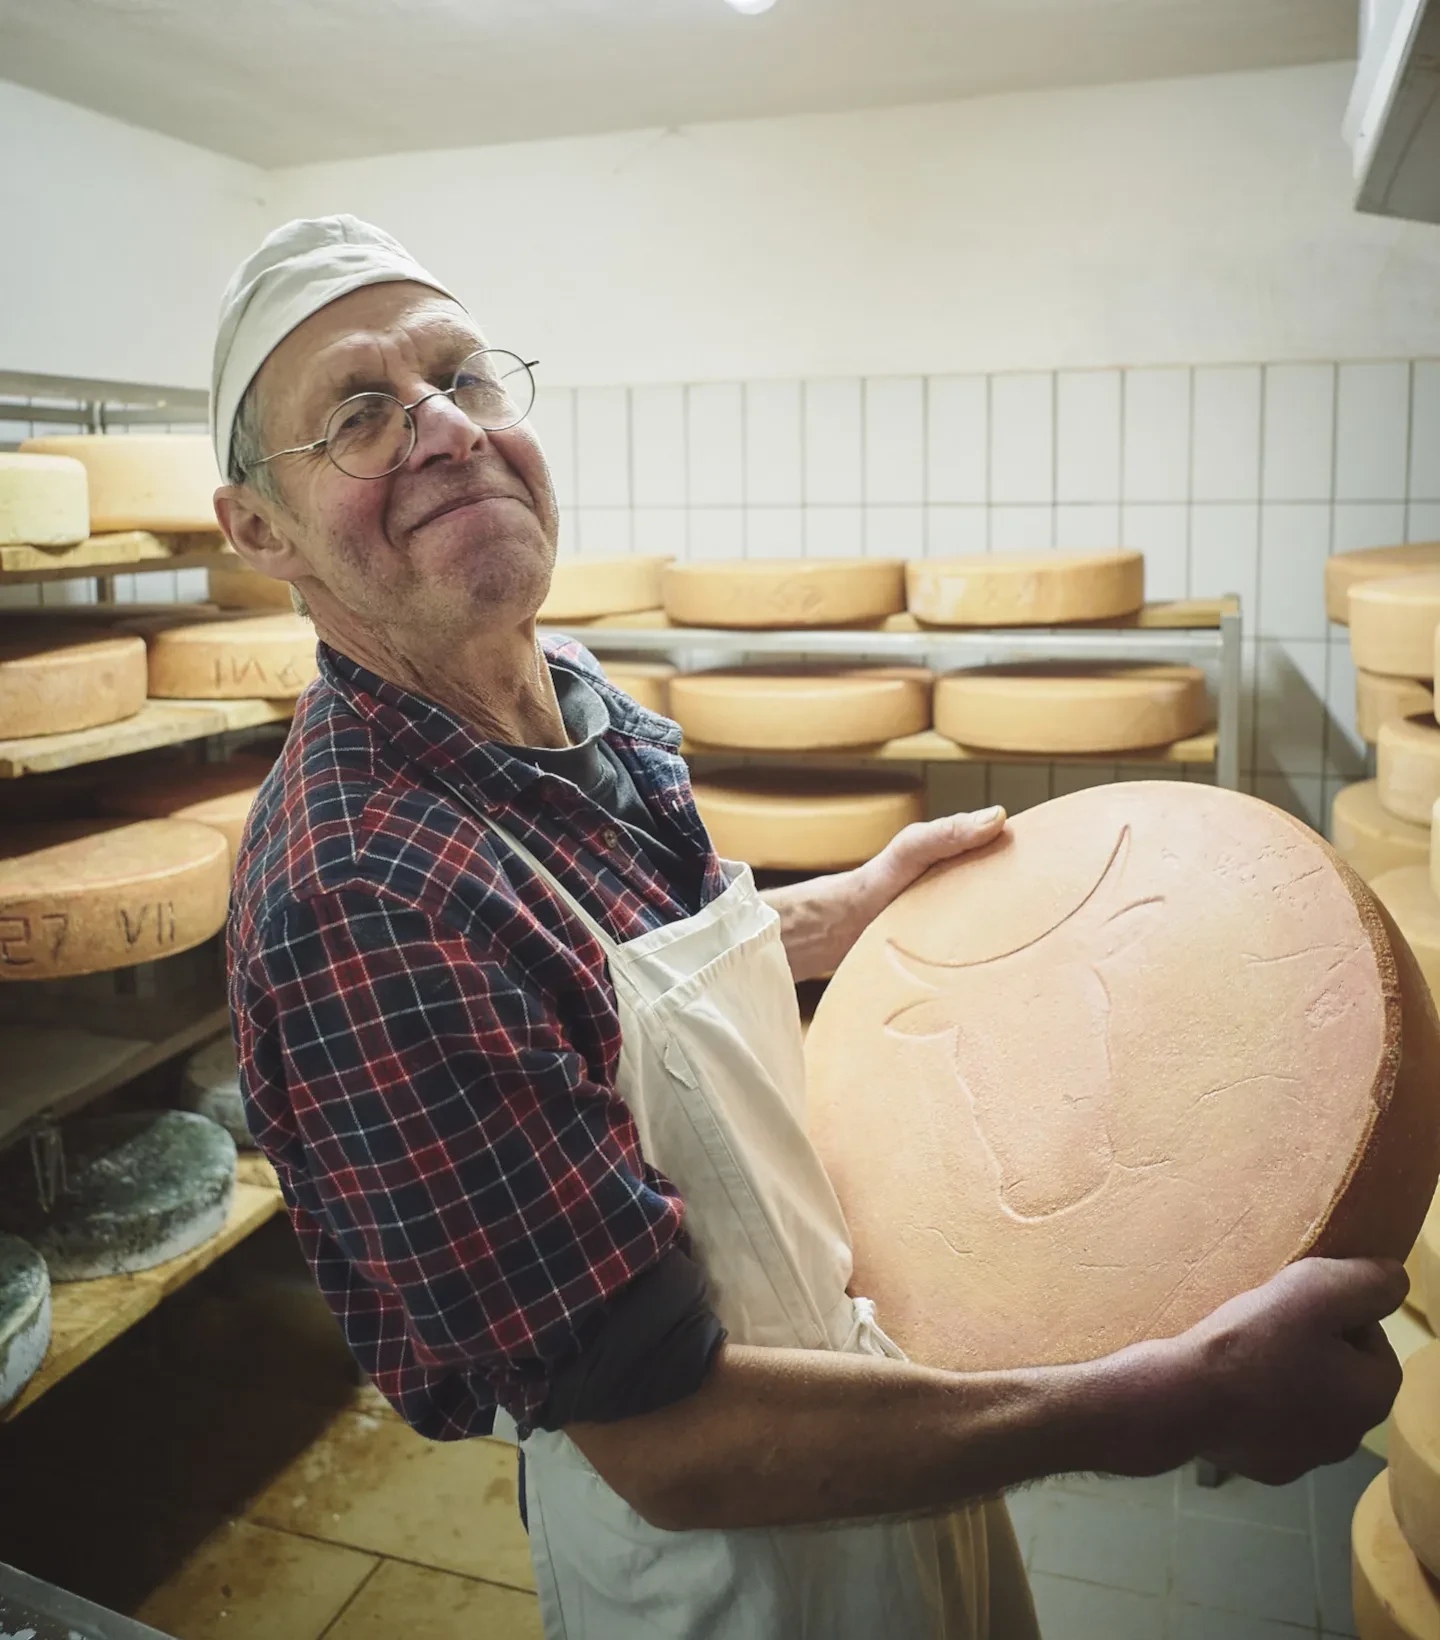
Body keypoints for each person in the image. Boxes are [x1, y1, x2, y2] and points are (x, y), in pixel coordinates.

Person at [214, 216, 1407, 1640]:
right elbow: (669, 1441)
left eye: (466, 380)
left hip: (877, 1408)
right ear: (258, 533)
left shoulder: (568, 690)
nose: (445, 431)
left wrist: (845, 910)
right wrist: (1165, 1402)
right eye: (360, 414)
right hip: (731, 1565)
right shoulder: (365, 898)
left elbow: (606, 991)